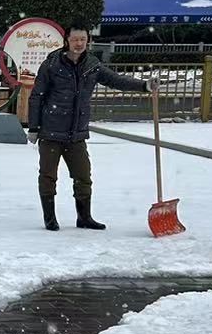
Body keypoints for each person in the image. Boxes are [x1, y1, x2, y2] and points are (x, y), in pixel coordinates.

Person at [26, 24, 154, 230]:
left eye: (83, 40)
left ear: (88, 41)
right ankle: (50, 218)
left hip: (76, 133)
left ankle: (84, 217)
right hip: (51, 131)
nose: (79, 44)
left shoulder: (92, 66)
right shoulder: (51, 64)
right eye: (75, 39)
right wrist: (33, 127)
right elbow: (37, 96)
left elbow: (115, 80)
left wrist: (144, 86)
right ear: (67, 40)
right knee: (48, 176)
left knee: (83, 177)